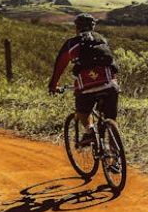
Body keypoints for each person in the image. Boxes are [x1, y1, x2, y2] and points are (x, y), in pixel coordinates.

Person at [48, 13, 120, 146]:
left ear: (76, 27)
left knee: (82, 110)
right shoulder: (102, 40)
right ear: (93, 26)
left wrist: (53, 85)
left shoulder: (70, 44)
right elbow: (111, 63)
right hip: (110, 85)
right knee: (111, 119)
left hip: (86, 88)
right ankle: (115, 160)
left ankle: (89, 131)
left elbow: (59, 66)